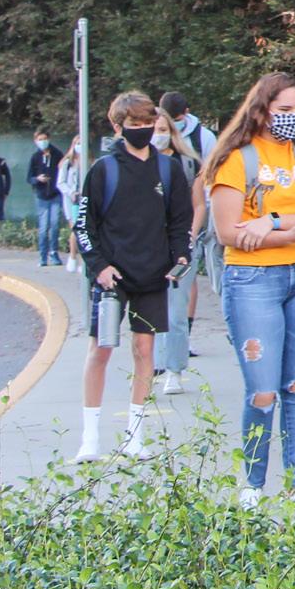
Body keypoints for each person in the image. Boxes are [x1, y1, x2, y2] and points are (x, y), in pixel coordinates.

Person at [205, 72, 295, 514]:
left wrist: (270, 222)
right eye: (283, 110)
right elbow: (228, 233)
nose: (292, 118)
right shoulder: (236, 160)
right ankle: (253, 485)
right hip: (252, 281)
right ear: (261, 109)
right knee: (263, 391)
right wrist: (290, 232)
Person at [73, 92, 192, 461]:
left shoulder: (169, 170)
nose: (143, 130)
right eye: (134, 124)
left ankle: (135, 437)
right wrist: (99, 267)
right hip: (111, 279)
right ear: (117, 126)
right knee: (100, 349)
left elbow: (180, 221)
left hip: (153, 277)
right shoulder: (103, 170)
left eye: (147, 123)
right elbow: (83, 225)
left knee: (145, 351)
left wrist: (180, 258)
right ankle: (90, 438)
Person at [150, 105, 205, 395]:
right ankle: (154, 365)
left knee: (175, 310)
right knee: (151, 308)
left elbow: (199, 205)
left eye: (162, 130)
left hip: (180, 247)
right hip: (148, 247)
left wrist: (189, 237)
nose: (156, 135)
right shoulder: (139, 164)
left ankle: (174, 369)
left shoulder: (187, 164)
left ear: (172, 132)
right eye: (152, 130)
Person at [158, 91, 218, 352]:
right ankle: (159, 351)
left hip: (194, 222)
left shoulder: (202, 139)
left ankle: (182, 341)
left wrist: (194, 231)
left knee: (185, 282)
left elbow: (210, 179)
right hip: (156, 236)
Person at [28, 128, 65, 266]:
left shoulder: (57, 154)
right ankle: (43, 256)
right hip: (41, 196)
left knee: (54, 225)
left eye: (44, 139)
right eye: (40, 140)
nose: (42, 142)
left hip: (55, 194)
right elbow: (29, 177)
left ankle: (54, 253)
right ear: (35, 141)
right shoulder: (35, 157)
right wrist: (38, 179)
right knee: (43, 227)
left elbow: (63, 170)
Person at [58, 135, 85, 276]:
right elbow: (60, 183)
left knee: (85, 231)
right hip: (71, 201)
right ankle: (73, 257)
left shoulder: (89, 162)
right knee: (76, 229)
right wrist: (71, 192)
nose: (79, 146)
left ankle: (83, 261)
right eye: (77, 143)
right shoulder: (67, 163)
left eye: (82, 143)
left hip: (85, 199)